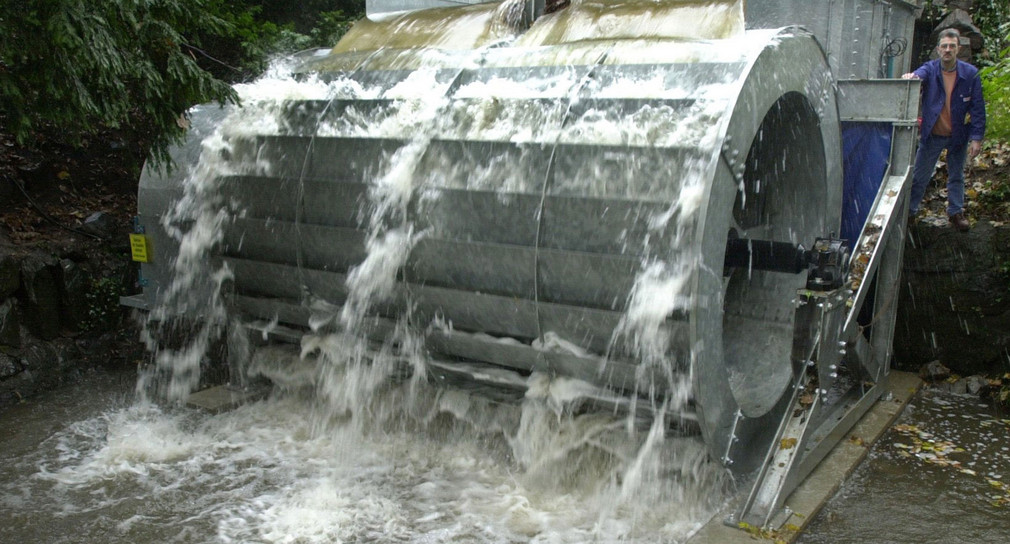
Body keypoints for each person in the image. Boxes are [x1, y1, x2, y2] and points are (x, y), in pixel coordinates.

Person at [902, 28, 986, 232]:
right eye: (944, 46)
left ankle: (956, 213)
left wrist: (976, 138)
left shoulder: (970, 74)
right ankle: (910, 214)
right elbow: (919, 75)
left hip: (958, 135)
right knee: (920, 177)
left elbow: (977, 108)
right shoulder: (931, 69)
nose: (948, 50)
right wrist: (912, 77)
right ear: (938, 49)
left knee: (956, 174)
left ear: (958, 49)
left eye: (952, 46)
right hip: (933, 134)